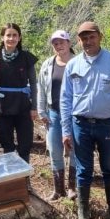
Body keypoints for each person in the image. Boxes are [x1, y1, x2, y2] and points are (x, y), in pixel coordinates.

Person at [60, 21, 110, 219]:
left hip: (107, 125)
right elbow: (65, 100)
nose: (88, 41)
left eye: (92, 37)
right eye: (83, 38)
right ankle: (84, 215)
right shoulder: (73, 65)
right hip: (80, 125)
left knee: (109, 167)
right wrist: (66, 130)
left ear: (100, 36)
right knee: (84, 170)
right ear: (79, 41)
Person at [0, 23, 38, 163]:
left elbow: (34, 83)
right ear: (2, 37)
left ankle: (25, 182)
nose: (11, 38)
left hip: (23, 107)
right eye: (8, 35)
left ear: (19, 38)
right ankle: (11, 182)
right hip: (3, 107)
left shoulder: (26, 57)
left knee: (25, 146)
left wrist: (34, 107)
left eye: (14, 35)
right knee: (7, 147)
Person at [37, 29, 77, 201]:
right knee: (54, 150)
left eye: (61, 42)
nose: (58, 45)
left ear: (69, 43)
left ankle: (72, 188)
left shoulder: (79, 63)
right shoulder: (47, 64)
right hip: (53, 113)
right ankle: (58, 189)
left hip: (75, 115)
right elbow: (40, 89)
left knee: (74, 150)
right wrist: (41, 110)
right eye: (55, 43)